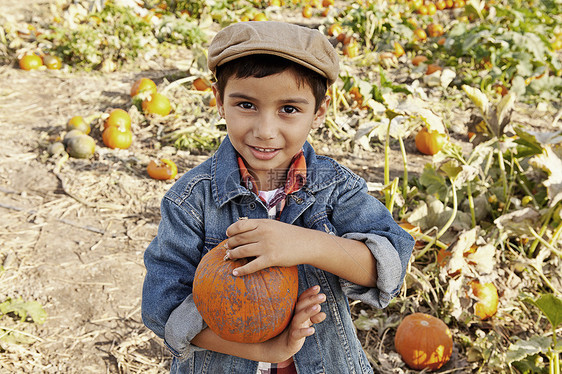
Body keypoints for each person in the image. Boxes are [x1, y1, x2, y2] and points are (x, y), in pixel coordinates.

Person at [141, 21, 415, 374]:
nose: (265, 131)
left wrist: (306, 243)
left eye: (289, 109)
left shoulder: (334, 188)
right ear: (219, 102)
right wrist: (266, 350)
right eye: (246, 105)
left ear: (319, 111)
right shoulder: (191, 201)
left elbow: (388, 264)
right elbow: (163, 307)